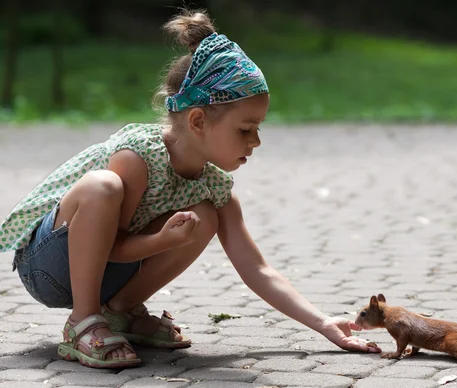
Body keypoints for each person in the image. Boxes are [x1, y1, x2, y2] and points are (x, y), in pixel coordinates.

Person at [0, 8, 381, 368]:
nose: (256, 142)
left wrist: (322, 324)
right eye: (245, 129)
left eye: (258, 129)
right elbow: (110, 246)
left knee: (206, 215)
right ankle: (82, 323)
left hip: (108, 273)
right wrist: (161, 242)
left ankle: (118, 314)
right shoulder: (138, 158)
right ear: (198, 121)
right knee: (103, 185)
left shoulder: (214, 186)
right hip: (52, 266)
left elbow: (258, 269)